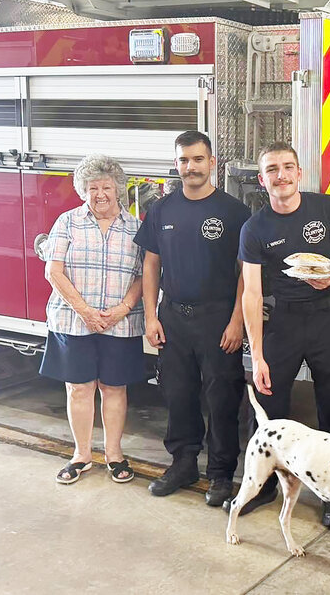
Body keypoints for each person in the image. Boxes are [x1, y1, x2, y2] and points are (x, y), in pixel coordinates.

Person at [237, 141, 330, 528]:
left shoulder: (326, 207)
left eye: (288, 167)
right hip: (284, 322)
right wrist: (257, 356)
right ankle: (263, 486)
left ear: (299, 173)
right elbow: (252, 293)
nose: (281, 175)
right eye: (272, 169)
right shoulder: (254, 228)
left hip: (328, 320)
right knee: (270, 411)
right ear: (262, 179)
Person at [134, 130, 250, 505]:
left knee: (221, 398)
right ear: (176, 164)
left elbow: (246, 272)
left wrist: (237, 321)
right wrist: (151, 317)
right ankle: (183, 464)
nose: (191, 167)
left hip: (218, 319)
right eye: (184, 160)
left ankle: (220, 474)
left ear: (212, 162)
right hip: (174, 318)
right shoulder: (162, 210)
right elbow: (150, 265)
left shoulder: (234, 212)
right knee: (179, 393)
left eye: (198, 159)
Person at [41, 154, 145, 485]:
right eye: (92, 188)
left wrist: (123, 308)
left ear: (119, 190)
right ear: (82, 191)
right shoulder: (67, 222)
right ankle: (81, 455)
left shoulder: (136, 228)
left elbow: (145, 276)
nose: (100, 194)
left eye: (106, 187)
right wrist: (84, 310)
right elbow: (53, 270)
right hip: (74, 321)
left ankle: (114, 455)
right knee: (79, 388)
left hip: (121, 322)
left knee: (114, 388)